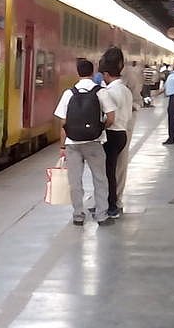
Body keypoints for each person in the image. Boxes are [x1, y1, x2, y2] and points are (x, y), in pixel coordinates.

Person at [54, 58, 113, 226]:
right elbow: (111, 117)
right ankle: (101, 215)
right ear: (93, 72)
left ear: (77, 73)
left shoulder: (68, 93)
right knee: (100, 179)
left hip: (72, 144)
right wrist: (100, 128)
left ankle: (78, 215)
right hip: (94, 142)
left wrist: (62, 146)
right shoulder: (101, 92)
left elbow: (62, 123)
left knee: (75, 181)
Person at [99, 51, 134, 218]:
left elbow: (109, 117)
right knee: (113, 170)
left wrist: (100, 126)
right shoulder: (125, 90)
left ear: (106, 74)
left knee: (108, 172)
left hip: (111, 134)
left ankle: (111, 205)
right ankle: (111, 202)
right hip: (122, 133)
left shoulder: (109, 92)